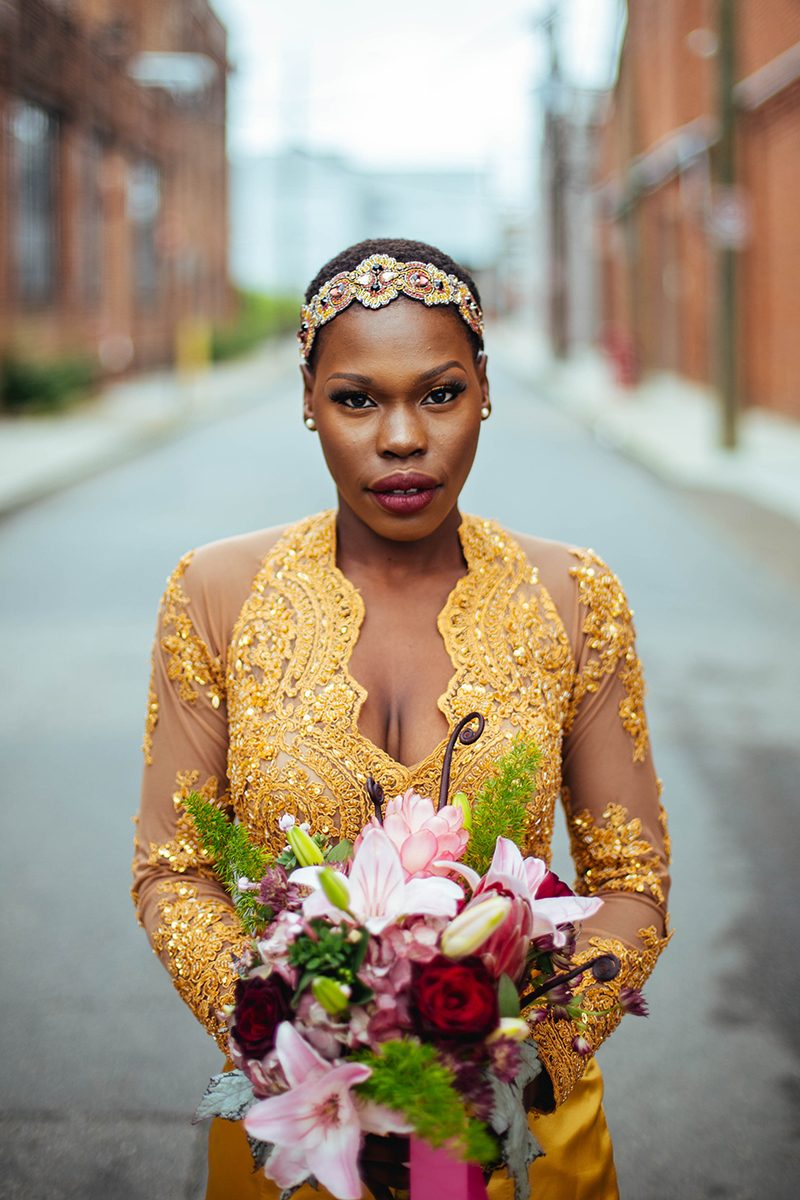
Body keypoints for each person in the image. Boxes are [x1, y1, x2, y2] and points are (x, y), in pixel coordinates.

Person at [132, 238, 670, 1200]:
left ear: (486, 389)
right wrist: (301, 1035)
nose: (401, 439)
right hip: (301, 1138)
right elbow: (174, 870)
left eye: (438, 392)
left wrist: (492, 1067)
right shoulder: (216, 592)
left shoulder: (574, 596)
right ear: (307, 399)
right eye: (355, 398)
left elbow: (629, 881)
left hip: (524, 1137)